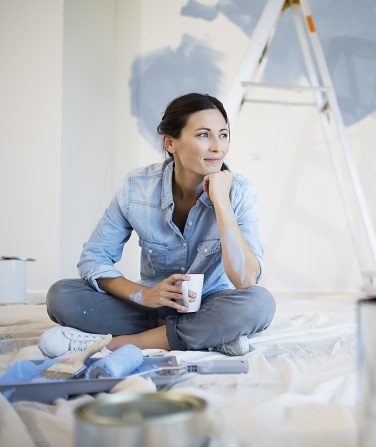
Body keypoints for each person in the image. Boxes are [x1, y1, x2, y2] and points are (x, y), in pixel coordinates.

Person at [39, 93, 276, 357]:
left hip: (212, 304)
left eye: (223, 135)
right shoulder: (136, 187)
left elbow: (245, 280)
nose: (217, 147)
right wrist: (144, 295)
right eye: (203, 135)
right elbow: (94, 259)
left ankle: (119, 344)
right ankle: (207, 335)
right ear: (170, 142)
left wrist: (221, 202)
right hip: (152, 309)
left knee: (259, 304)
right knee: (62, 295)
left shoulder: (239, 191)